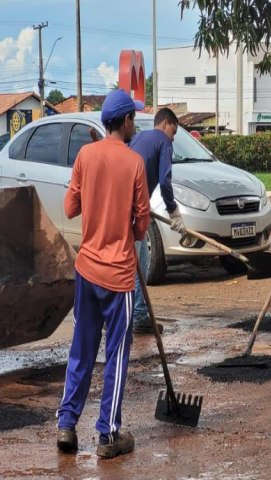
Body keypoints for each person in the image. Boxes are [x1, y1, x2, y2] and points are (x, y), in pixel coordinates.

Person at [56, 89, 150, 458]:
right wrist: (125, 217)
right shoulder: (134, 163)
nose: (135, 124)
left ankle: (66, 424)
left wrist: (95, 194)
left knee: (82, 348)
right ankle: (108, 435)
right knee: (116, 355)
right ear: (125, 122)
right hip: (118, 277)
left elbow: (69, 207)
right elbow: (141, 228)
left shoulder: (85, 155)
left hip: (87, 270)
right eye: (134, 119)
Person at [129, 107, 185, 334]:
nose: (173, 136)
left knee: (139, 261)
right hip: (134, 210)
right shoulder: (164, 141)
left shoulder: (139, 137)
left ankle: (139, 314)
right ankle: (134, 317)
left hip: (128, 205)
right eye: (173, 131)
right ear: (164, 124)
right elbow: (165, 180)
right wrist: (173, 211)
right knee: (136, 266)